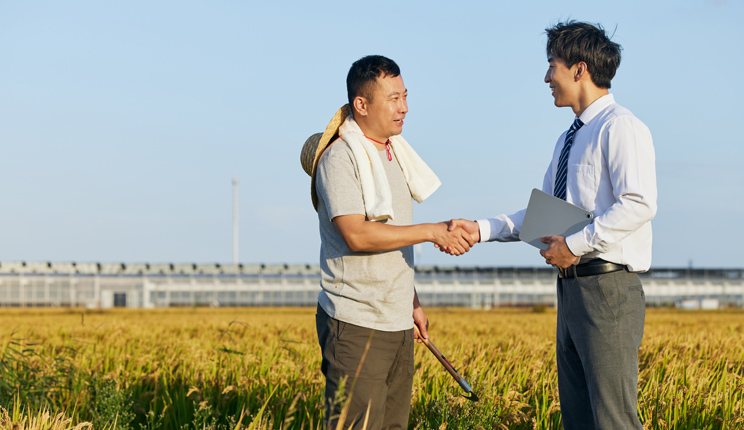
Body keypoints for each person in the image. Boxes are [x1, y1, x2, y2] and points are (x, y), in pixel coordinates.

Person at [447, 22, 657, 429]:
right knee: (577, 419)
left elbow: (639, 203)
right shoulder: (568, 139)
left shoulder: (620, 127)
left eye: (552, 66)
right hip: (571, 288)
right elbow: (544, 215)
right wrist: (480, 229)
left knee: (613, 420)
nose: (547, 77)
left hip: (607, 289)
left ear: (579, 69)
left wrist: (575, 245)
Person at [300, 55, 476, 429]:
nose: (405, 108)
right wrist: (432, 231)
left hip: (396, 320)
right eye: (394, 98)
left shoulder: (394, 154)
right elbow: (357, 234)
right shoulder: (341, 158)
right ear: (361, 105)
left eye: (406, 96)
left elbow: (393, 241)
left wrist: (410, 301)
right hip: (357, 321)